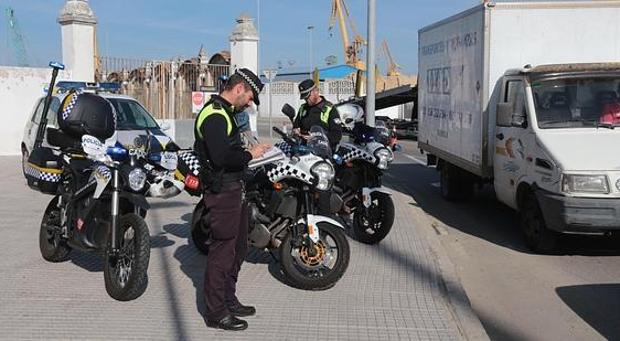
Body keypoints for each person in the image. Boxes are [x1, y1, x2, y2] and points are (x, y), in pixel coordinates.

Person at [193, 68, 270, 331]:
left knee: (237, 249)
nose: (249, 103)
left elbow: (230, 151)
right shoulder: (214, 115)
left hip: (235, 189)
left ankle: (228, 298)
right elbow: (222, 158)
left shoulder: (226, 113)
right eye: (249, 97)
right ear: (239, 89)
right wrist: (252, 155)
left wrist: (254, 153)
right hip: (222, 191)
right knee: (222, 253)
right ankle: (216, 312)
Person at [294, 79, 342, 149]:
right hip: (304, 149)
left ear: (316, 91)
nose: (306, 100)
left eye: (308, 97)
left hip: (323, 151)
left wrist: (316, 138)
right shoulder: (303, 108)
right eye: (304, 98)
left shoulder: (329, 109)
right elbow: (296, 126)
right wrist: (296, 131)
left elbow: (337, 135)